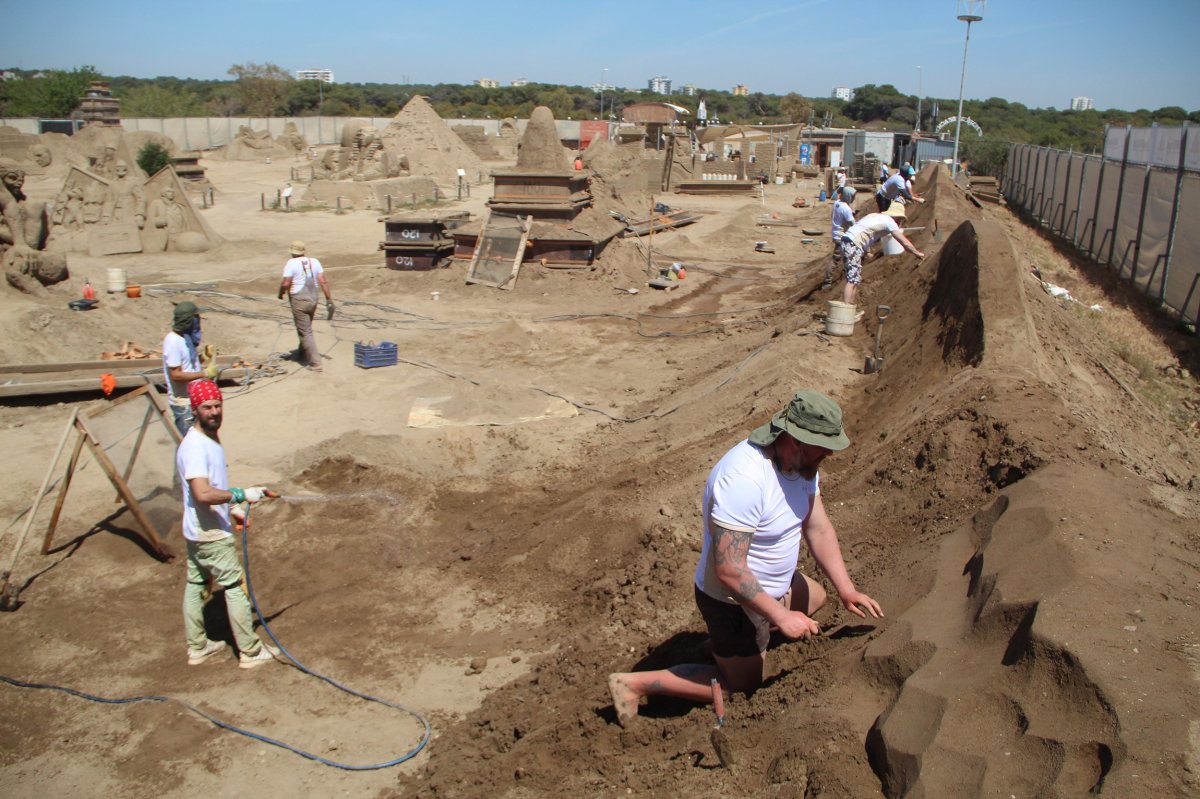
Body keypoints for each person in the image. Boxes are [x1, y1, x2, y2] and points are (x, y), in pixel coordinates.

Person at [608, 391, 882, 728]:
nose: (828, 455)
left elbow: (818, 526)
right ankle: (635, 684)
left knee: (819, 596)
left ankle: (727, 647)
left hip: (771, 583)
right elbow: (729, 569)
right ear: (796, 441)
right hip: (733, 599)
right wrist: (781, 615)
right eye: (823, 448)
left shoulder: (803, 468)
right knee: (743, 685)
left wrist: (847, 589)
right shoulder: (744, 479)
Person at [178, 379, 278, 669]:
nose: (214, 412)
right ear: (195, 409)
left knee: (196, 583)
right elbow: (203, 492)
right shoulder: (196, 446)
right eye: (207, 407)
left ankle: (197, 647)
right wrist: (241, 494)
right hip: (209, 534)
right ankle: (249, 650)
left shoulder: (207, 439)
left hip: (197, 530)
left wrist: (233, 508)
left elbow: (213, 485)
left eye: (218, 405)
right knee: (235, 586)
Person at [837, 212, 924, 306]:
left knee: (854, 278)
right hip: (853, 244)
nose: (900, 223)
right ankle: (845, 310)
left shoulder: (876, 216)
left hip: (847, 241)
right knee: (852, 280)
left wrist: (866, 251)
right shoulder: (891, 222)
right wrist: (917, 253)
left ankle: (850, 307)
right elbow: (905, 243)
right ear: (897, 219)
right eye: (900, 221)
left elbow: (863, 229)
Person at [162, 301, 218, 436]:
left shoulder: (185, 339)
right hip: (183, 404)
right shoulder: (173, 342)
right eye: (196, 318)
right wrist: (204, 373)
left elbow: (189, 365)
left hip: (193, 399)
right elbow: (176, 375)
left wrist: (204, 356)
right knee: (189, 443)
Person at [278, 240, 333, 372]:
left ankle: (315, 363)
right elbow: (323, 281)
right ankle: (302, 353)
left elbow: (286, 283)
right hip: (313, 298)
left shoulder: (291, 263)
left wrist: (281, 293)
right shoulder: (315, 261)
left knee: (305, 331)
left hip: (299, 300)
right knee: (305, 327)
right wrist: (329, 299)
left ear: (292, 252)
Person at [824, 186, 857, 290]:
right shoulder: (846, 209)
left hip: (835, 233)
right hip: (841, 236)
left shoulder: (837, 203)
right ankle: (827, 281)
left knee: (842, 257)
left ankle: (844, 274)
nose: (853, 199)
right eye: (852, 196)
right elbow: (853, 224)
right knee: (836, 259)